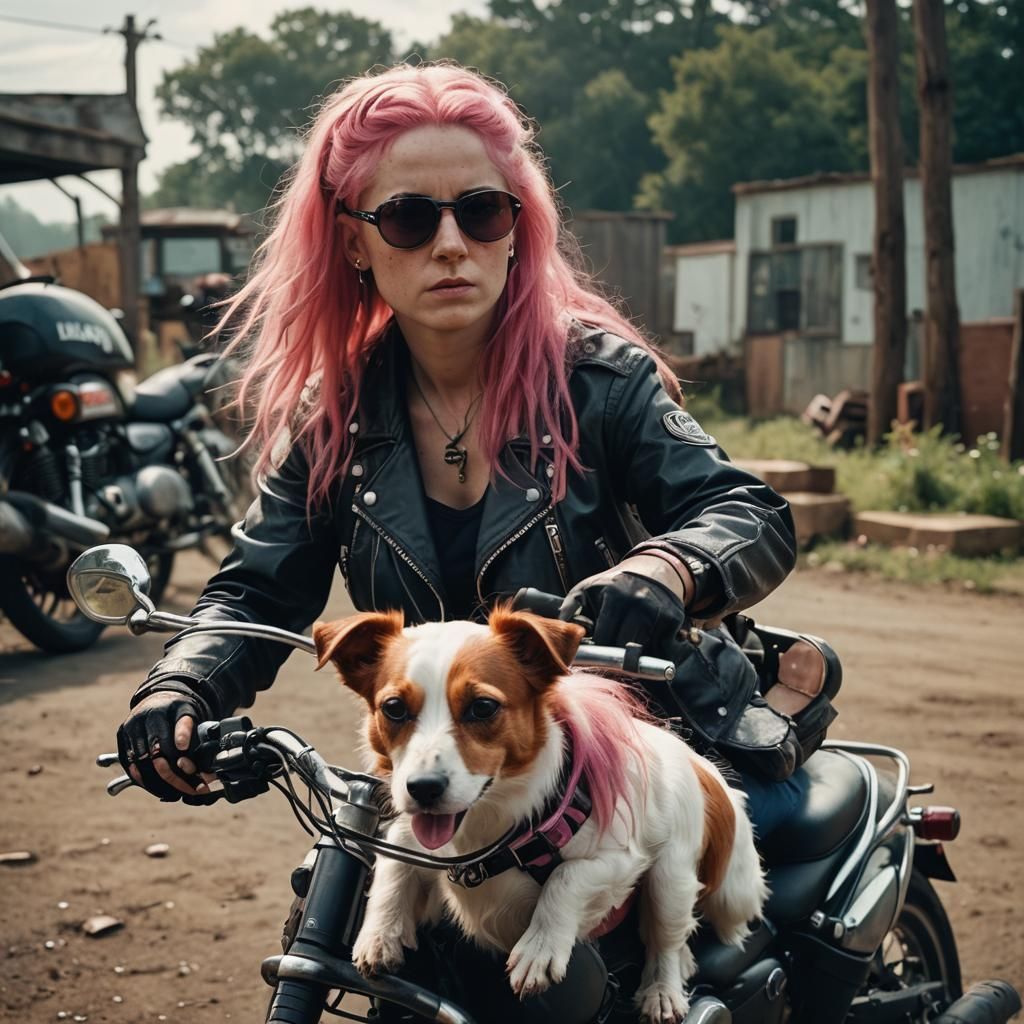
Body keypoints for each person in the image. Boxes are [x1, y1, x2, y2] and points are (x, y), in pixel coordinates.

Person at [117, 60, 800, 1019]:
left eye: (481, 212)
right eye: (408, 218)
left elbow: (752, 512)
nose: (450, 244)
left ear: (517, 228)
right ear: (355, 242)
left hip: (639, 748)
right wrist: (183, 683)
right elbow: (256, 592)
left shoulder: (601, 381)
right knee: (335, 921)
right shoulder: (337, 417)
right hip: (437, 769)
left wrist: (668, 566)